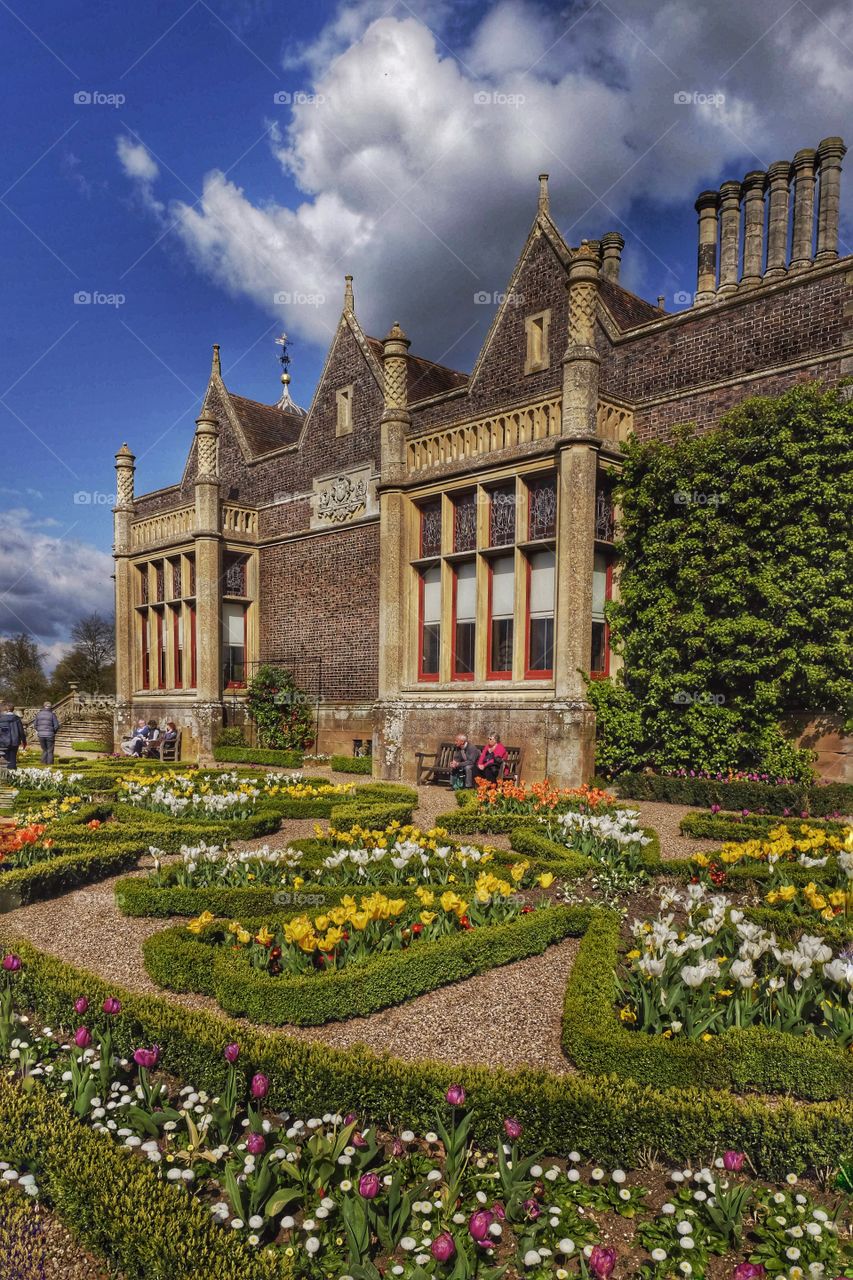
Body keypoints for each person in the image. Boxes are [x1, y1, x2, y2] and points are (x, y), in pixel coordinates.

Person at [0, 702, 28, 771]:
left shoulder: (1, 719)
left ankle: (5, 773)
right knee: (13, 758)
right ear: (13, 709)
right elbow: (21, 731)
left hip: (3, 741)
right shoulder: (17, 719)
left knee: (4, 758)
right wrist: (24, 741)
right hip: (15, 741)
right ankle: (12, 773)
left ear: (6, 709)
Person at [33, 701, 61, 765]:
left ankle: (43, 763)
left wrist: (40, 731)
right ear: (50, 707)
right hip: (50, 734)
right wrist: (53, 732)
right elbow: (56, 726)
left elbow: (35, 725)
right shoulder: (52, 715)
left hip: (41, 735)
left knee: (44, 750)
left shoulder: (39, 714)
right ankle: (50, 764)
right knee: (50, 750)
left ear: (44, 706)